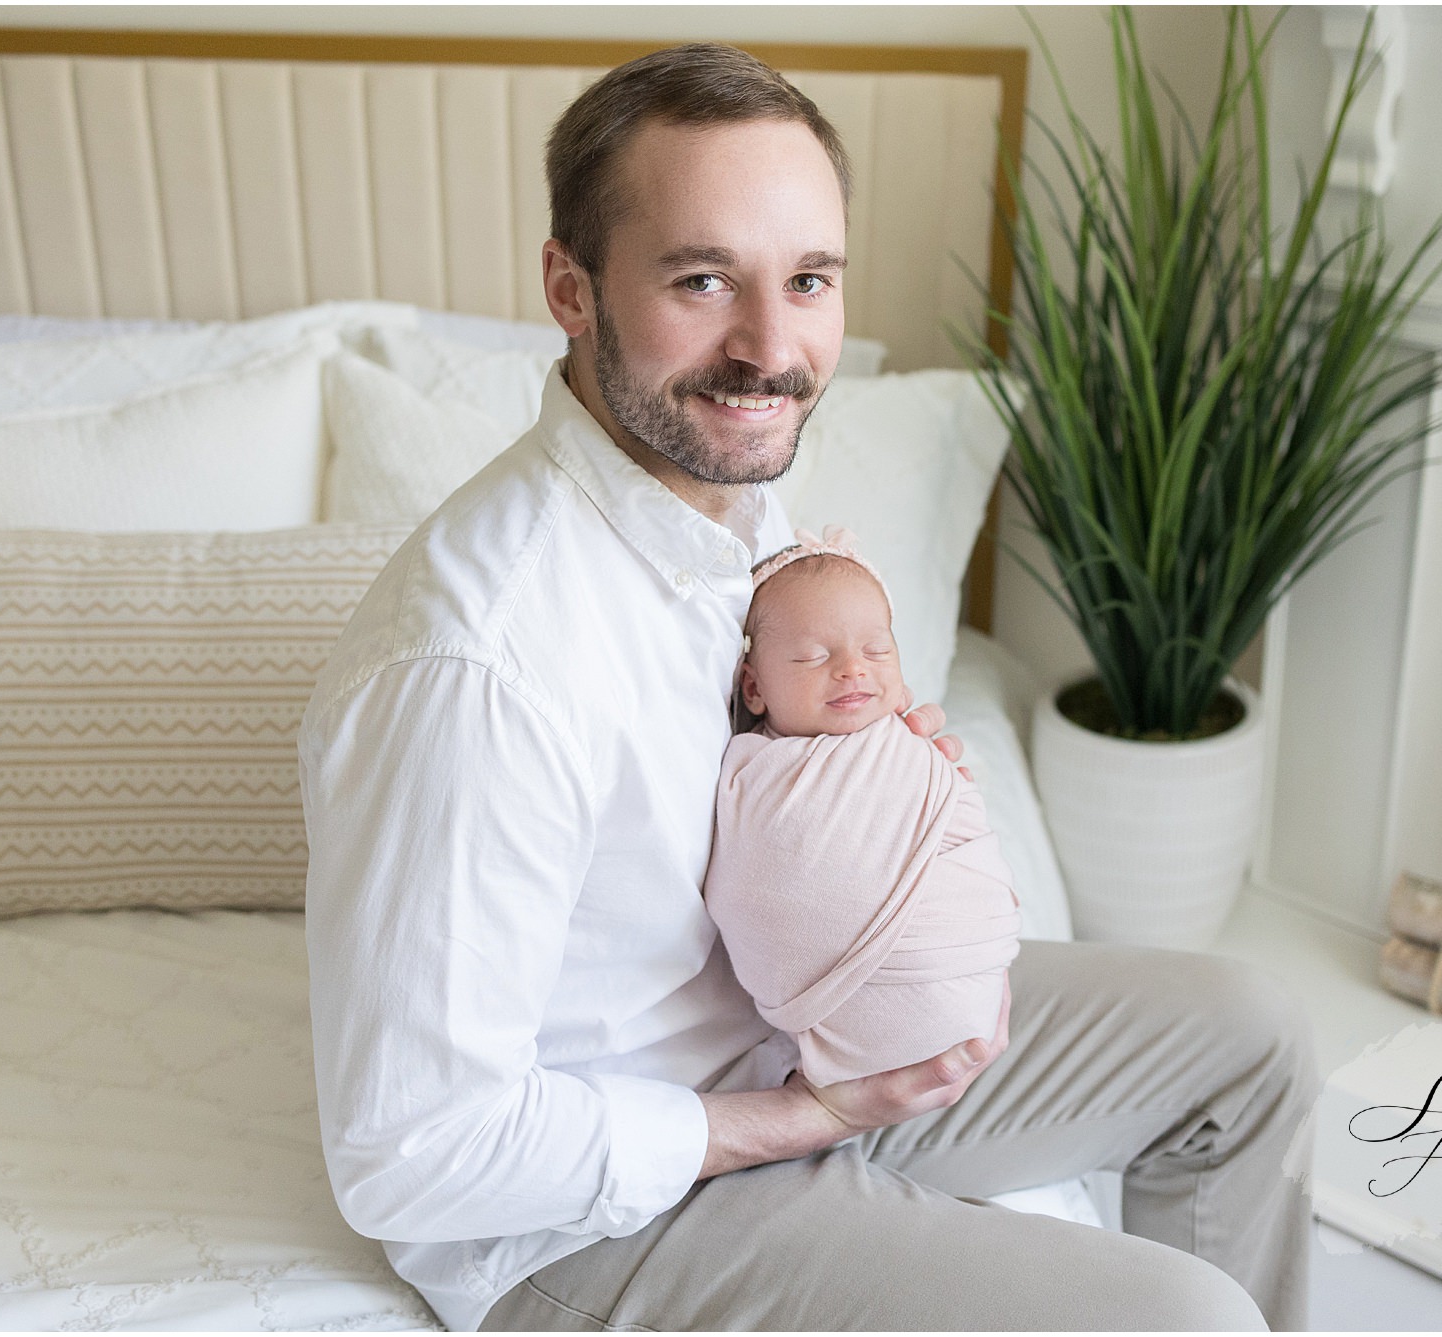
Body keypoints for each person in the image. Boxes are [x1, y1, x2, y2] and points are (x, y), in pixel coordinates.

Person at [300, 41, 1316, 1332]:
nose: (769, 349)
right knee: (1181, 1320)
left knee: (1253, 1032)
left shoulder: (743, 517)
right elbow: (412, 1150)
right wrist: (801, 1117)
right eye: (702, 277)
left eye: (810, 280)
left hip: (806, 1020)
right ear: (571, 286)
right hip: (604, 1213)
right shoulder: (478, 665)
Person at [708, 528, 1022, 1087]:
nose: (854, 668)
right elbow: (751, 891)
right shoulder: (751, 778)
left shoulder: (903, 743)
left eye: (877, 650)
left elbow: (959, 831)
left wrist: (931, 786)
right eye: (813, 656)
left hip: (972, 975)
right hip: (845, 1041)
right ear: (752, 689)